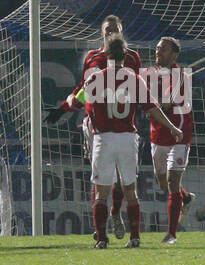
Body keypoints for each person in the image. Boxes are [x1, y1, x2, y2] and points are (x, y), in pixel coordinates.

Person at [53, 33, 181, 248]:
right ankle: (135, 238)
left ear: (106, 54)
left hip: (103, 140)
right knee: (131, 191)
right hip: (127, 139)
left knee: (101, 193)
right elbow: (152, 108)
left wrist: (64, 106)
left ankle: (102, 239)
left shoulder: (95, 78)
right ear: (125, 55)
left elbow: (77, 102)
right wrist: (172, 127)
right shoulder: (134, 78)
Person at [48, 15, 137, 238]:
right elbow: (83, 87)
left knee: (118, 175)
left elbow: (136, 91)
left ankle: (116, 213)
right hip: (95, 124)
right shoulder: (92, 57)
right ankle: (101, 228)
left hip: (122, 125)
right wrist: (63, 108)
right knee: (99, 176)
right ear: (101, 32)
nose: (111, 32)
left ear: (122, 30)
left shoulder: (133, 58)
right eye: (108, 29)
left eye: (115, 28)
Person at [150, 36, 195, 244]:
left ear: (174, 55)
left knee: (172, 181)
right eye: (158, 49)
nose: (158, 52)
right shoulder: (150, 73)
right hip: (158, 135)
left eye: (163, 50)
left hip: (179, 134)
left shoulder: (180, 76)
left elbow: (165, 105)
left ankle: (171, 234)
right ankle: (185, 198)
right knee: (162, 183)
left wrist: (146, 101)